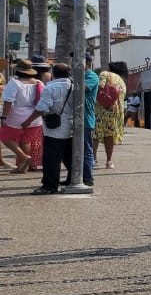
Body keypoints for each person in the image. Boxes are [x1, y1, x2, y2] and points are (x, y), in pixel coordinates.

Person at [22, 62, 74, 194]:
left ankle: (49, 186)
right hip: (72, 126)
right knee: (69, 156)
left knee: (51, 158)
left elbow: (42, 107)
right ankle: (73, 179)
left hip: (55, 128)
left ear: (53, 74)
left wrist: (28, 121)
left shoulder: (51, 87)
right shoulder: (74, 86)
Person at [2, 58, 44, 174]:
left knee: (5, 137)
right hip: (35, 116)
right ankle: (22, 167)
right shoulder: (38, 83)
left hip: (17, 115)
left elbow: (8, 102)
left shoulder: (14, 83)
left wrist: (3, 117)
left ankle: (24, 158)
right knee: (25, 141)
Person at [94, 61, 128, 169]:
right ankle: (109, 161)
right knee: (109, 136)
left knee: (95, 135)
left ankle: (93, 159)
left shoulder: (105, 74)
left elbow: (100, 86)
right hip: (115, 112)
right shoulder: (122, 82)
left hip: (101, 109)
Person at [79, 54, 100, 186]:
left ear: (87, 63)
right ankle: (74, 176)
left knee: (86, 149)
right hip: (75, 118)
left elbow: (81, 89)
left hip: (85, 118)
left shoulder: (91, 76)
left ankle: (88, 177)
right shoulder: (77, 76)